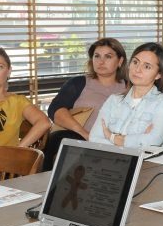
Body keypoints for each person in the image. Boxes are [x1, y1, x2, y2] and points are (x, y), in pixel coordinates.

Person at [43, 37, 128, 170]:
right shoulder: (79, 83)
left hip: (115, 145)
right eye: (97, 56)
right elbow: (55, 110)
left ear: (120, 61)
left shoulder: (129, 88)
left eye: (108, 57)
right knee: (59, 139)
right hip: (79, 139)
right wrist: (85, 134)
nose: (101, 61)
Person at [90, 42, 163, 147]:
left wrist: (111, 137)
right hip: (111, 160)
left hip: (146, 162)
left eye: (147, 67)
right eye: (135, 62)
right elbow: (94, 138)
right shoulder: (114, 100)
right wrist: (136, 140)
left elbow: (152, 142)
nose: (137, 69)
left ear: (159, 74)